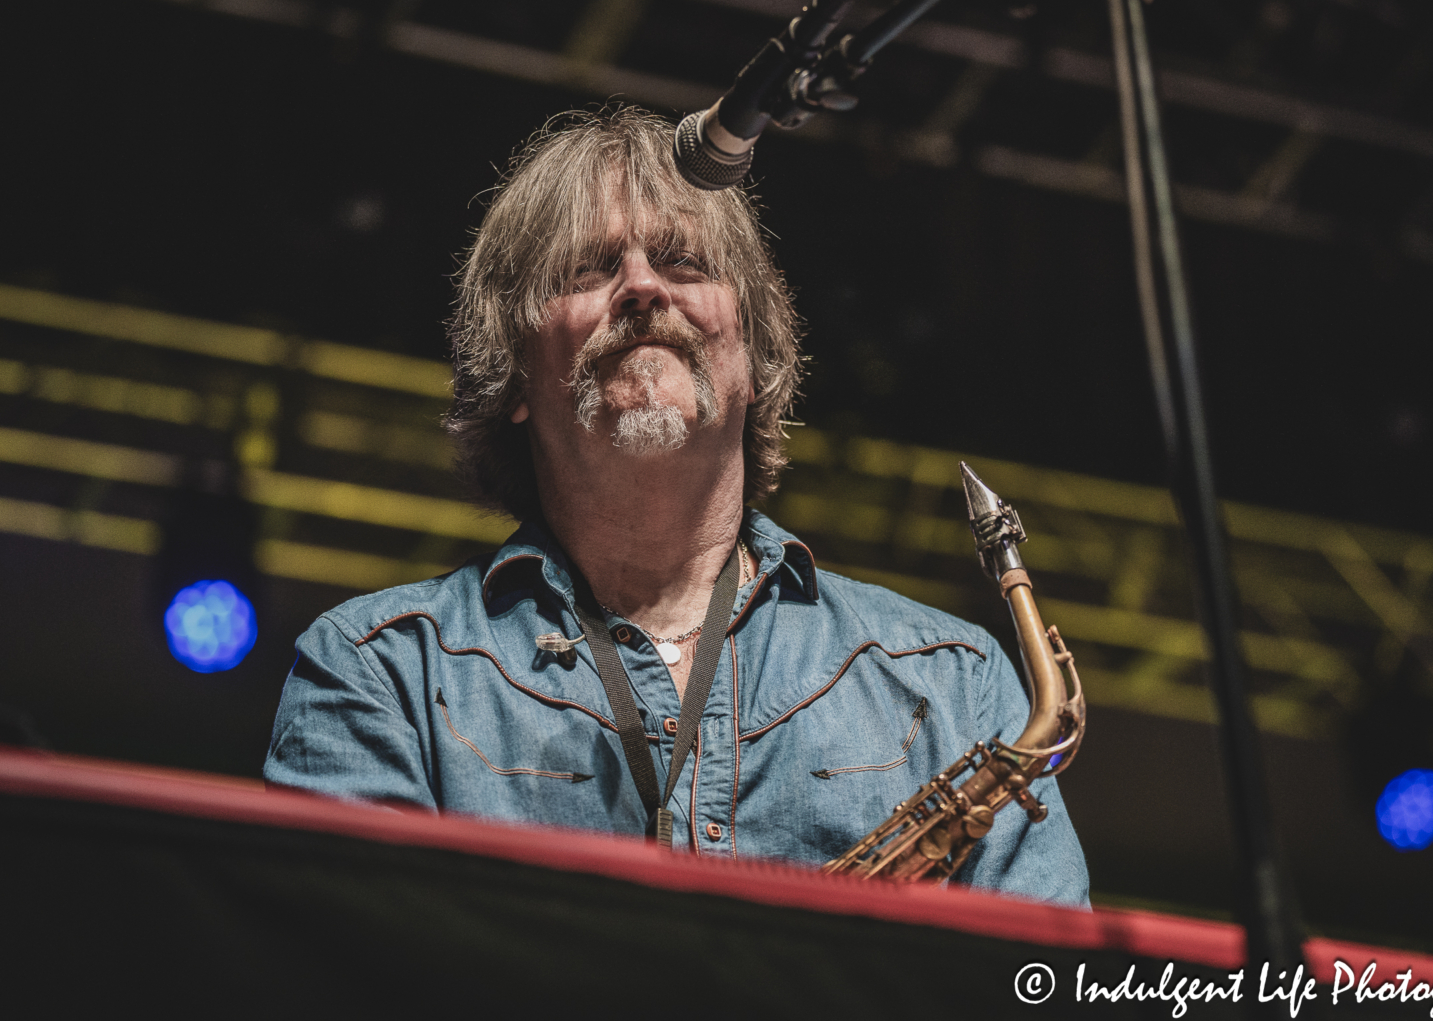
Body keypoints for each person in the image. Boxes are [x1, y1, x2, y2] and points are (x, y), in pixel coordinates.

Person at [264, 106, 1088, 906]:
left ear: (756, 354)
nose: (642, 287)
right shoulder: (381, 673)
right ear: (514, 373)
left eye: (684, 262)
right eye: (588, 269)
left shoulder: (955, 682)